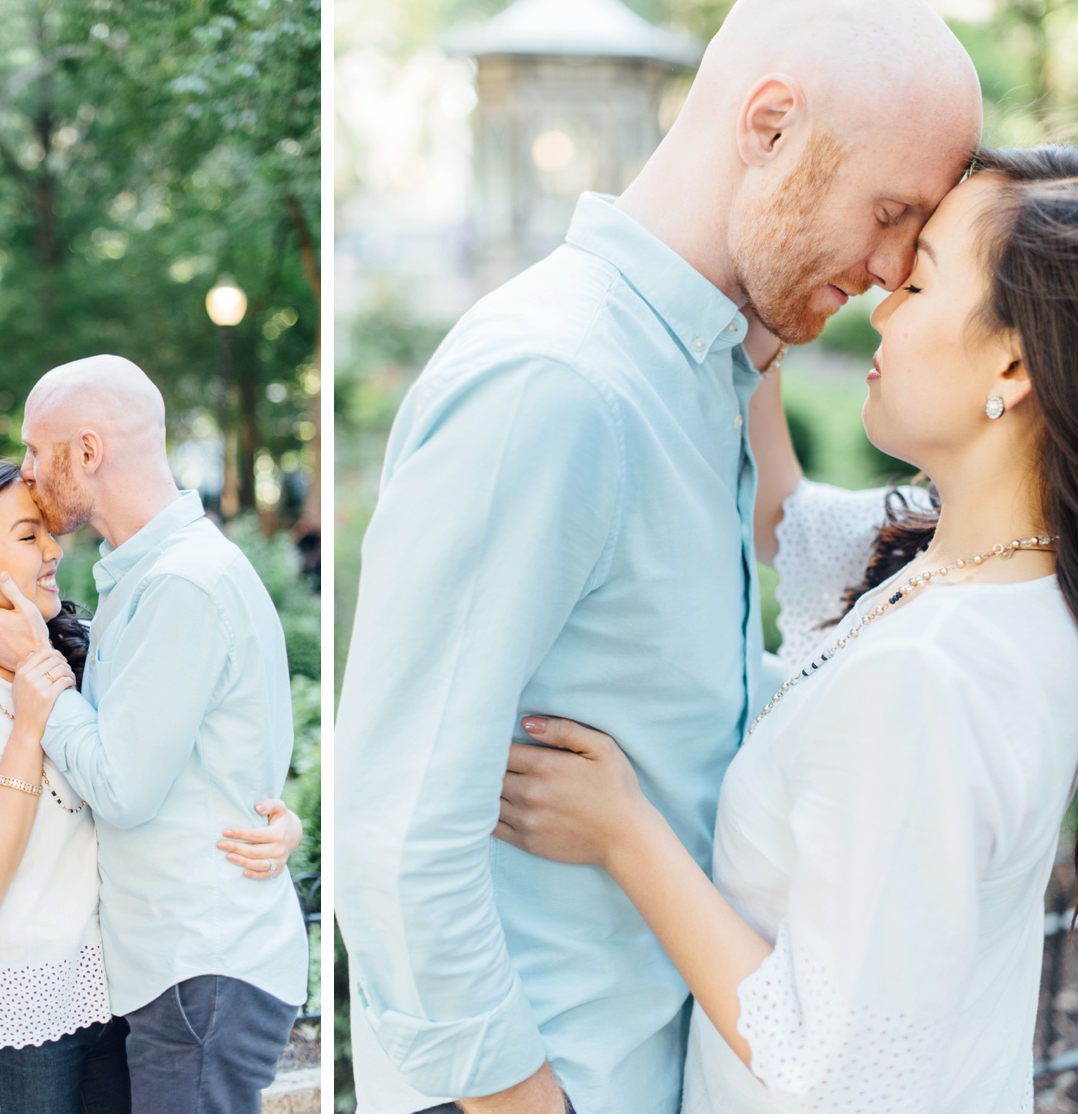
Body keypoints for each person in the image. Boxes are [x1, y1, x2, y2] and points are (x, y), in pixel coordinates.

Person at [333, 1, 984, 1111]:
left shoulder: (703, 375)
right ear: (769, 123)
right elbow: (395, 831)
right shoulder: (558, 385)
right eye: (888, 214)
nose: (887, 271)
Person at [495, 147, 1078, 1112]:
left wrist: (625, 835)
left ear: (1013, 362)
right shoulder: (982, 567)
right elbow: (785, 518)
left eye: (920, 279)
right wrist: (770, 283)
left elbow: (836, 1064)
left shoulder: (932, 677)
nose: (882, 303)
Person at [0, 458, 302, 1113]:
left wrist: (271, 819)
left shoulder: (80, 655)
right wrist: (28, 725)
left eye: (47, 533)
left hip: (110, 994)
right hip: (13, 1020)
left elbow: (151, 769)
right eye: (27, 536)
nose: (54, 550)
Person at [0, 356, 310, 1114]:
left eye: (35, 448)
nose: (26, 471)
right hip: (178, 969)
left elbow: (123, 788)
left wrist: (35, 670)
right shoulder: (145, 577)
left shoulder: (180, 584)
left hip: (199, 967)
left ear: (87, 452)